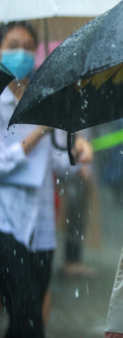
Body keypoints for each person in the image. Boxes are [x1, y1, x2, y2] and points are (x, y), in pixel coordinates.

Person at [0, 21, 93, 338]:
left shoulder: (45, 98)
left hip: (41, 226)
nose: (21, 53)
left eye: (28, 47)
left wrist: (77, 150)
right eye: (13, 45)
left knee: (31, 315)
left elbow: (58, 164)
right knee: (26, 314)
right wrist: (41, 129)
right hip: (6, 221)